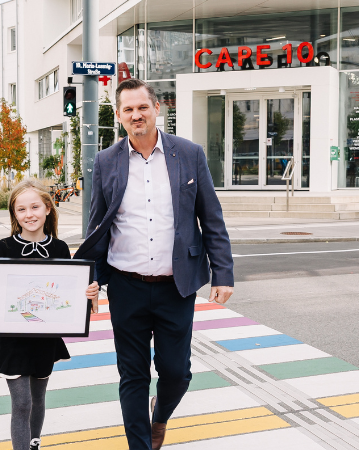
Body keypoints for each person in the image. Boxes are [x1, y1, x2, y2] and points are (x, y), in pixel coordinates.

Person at [73, 79, 234, 450]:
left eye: (142, 107)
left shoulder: (189, 154)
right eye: (128, 109)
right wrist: (89, 278)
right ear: (119, 115)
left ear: (157, 108)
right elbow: (98, 225)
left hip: (175, 286)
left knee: (177, 373)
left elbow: (211, 217)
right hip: (126, 286)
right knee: (132, 375)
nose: (136, 115)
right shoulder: (106, 161)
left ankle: (158, 417)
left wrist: (223, 273)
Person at [0, 179, 100, 450]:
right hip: (12, 340)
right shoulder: (3, 248)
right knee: (22, 403)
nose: (29, 214)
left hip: (46, 338)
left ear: (47, 208)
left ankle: (34, 442)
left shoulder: (59, 249)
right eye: (21, 209)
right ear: (14, 214)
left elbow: (69, 294)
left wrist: (88, 291)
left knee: (38, 398)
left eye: (34, 207)